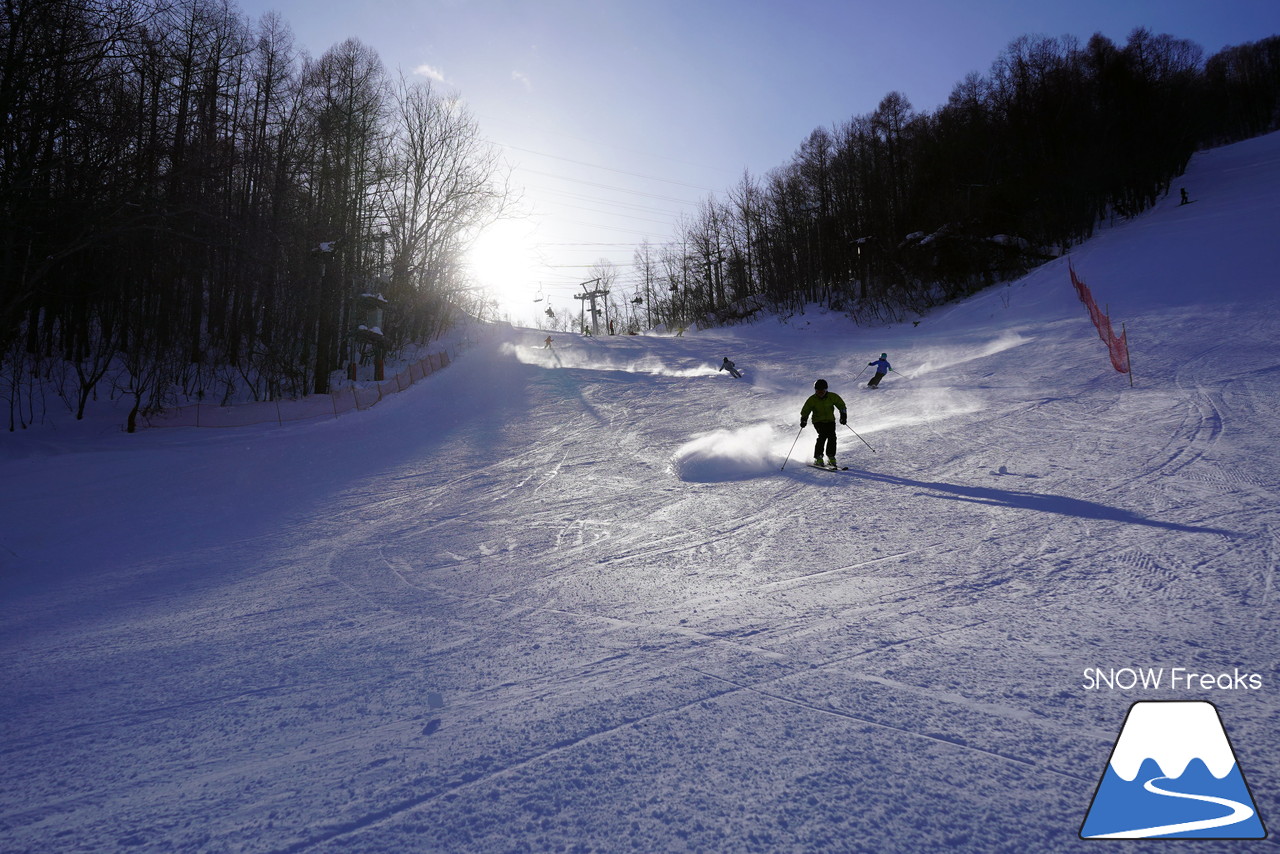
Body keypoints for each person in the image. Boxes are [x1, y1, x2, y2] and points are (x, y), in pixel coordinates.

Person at [800, 379, 847, 468]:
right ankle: (818, 457)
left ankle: (831, 456)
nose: (820, 393)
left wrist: (843, 416)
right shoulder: (812, 399)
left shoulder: (832, 396)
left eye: (822, 391)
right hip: (818, 421)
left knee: (832, 436)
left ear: (826, 390)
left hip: (830, 420)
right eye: (818, 391)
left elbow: (841, 405)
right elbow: (806, 410)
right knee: (822, 436)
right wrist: (803, 419)